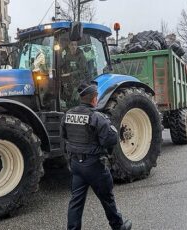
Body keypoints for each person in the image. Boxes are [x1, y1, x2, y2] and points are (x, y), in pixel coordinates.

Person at [60, 82, 132, 230]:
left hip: (76, 165)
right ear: (94, 99)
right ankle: (118, 226)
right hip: (94, 166)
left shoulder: (68, 115)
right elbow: (111, 139)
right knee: (107, 198)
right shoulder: (97, 117)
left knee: (76, 202)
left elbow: (63, 137)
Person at [61, 41, 89, 108]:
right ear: (69, 46)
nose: (73, 46)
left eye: (75, 45)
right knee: (66, 100)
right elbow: (63, 66)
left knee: (75, 100)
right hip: (69, 82)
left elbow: (83, 71)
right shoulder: (67, 56)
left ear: (77, 46)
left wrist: (69, 74)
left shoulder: (81, 57)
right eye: (72, 45)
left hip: (79, 82)